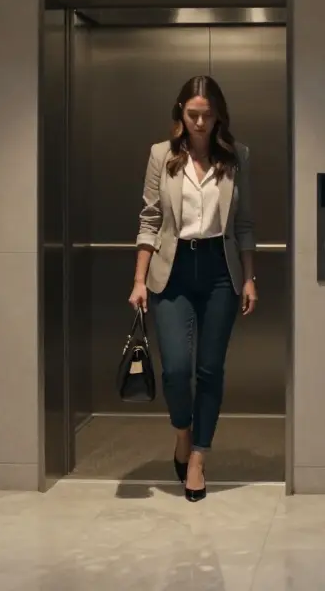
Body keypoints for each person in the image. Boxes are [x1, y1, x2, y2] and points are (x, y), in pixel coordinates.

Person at [128, 75, 259, 503]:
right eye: (192, 114)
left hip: (221, 270)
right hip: (173, 269)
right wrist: (139, 280)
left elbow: (244, 224)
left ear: (219, 116)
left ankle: (198, 457)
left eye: (207, 115)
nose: (199, 123)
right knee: (176, 369)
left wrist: (249, 276)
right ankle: (183, 433)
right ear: (180, 114)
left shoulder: (237, 156)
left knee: (210, 369)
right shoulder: (161, 155)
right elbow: (150, 219)